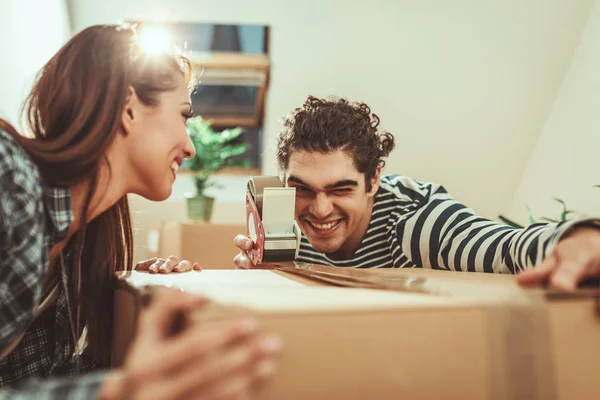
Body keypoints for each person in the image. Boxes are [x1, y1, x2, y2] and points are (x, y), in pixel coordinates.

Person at [0, 24, 281, 399]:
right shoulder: (9, 177)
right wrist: (122, 390)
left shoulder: (72, 256)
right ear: (128, 109)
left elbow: (33, 385)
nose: (190, 148)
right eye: (184, 116)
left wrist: (136, 317)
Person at [234, 95, 600, 290]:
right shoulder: (281, 220)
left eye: (340, 189)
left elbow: (505, 247)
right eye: (302, 189)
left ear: (373, 179)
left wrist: (581, 238)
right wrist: (264, 278)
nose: (319, 209)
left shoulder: (417, 225)